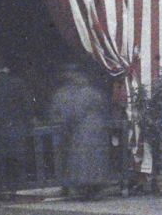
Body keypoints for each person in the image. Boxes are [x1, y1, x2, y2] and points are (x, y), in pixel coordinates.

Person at [47, 59, 118, 199]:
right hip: (97, 130)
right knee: (94, 161)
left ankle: (83, 189)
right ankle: (93, 188)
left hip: (82, 131)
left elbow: (71, 114)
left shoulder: (73, 94)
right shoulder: (93, 92)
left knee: (82, 162)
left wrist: (65, 124)